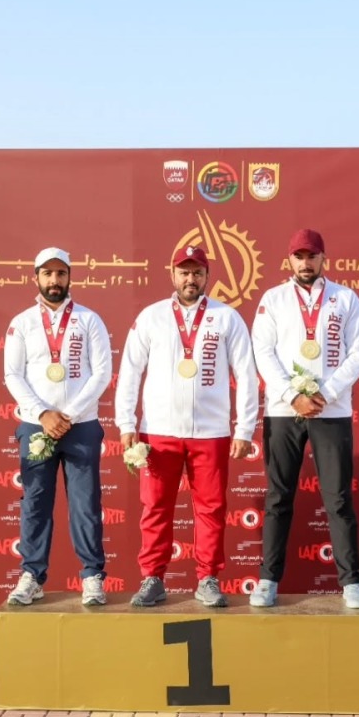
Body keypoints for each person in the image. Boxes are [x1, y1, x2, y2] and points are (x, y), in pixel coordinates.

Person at [115, 245, 259, 608]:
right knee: (155, 507)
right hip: (158, 431)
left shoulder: (227, 318)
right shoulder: (151, 317)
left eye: (197, 272)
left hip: (211, 432)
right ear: (172, 274)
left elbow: (246, 374)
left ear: (207, 276)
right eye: (184, 272)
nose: (190, 279)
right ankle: (152, 578)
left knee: (211, 508)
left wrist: (244, 429)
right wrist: (126, 422)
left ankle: (208, 578)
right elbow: (130, 370)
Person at [248, 229, 359, 609]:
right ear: (289, 260)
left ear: (323, 258)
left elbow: (358, 352)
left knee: (338, 498)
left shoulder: (345, 298)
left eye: (312, 256)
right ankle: (268, 580)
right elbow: (263, 352)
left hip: (330, 410)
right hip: (284, 410)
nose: (306, 263)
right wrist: (292, 395)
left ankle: (351, 582)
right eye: (299, 256)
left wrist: (325, 394)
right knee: (278, 497)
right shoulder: (273, 299)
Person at [3, 248, 112, 607]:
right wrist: (43, 414)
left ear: (69, 277)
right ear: (35, 277)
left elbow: (102, 373)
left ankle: (92, 576)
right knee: (35, 502)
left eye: (60, 273)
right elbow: (12, 374)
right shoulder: (22, 322)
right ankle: (32, 576)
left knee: (85, 504)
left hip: (81, 425)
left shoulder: (89, 320)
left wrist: (69, 414)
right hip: (36, 425)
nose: (54, 280)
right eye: (47, 273)